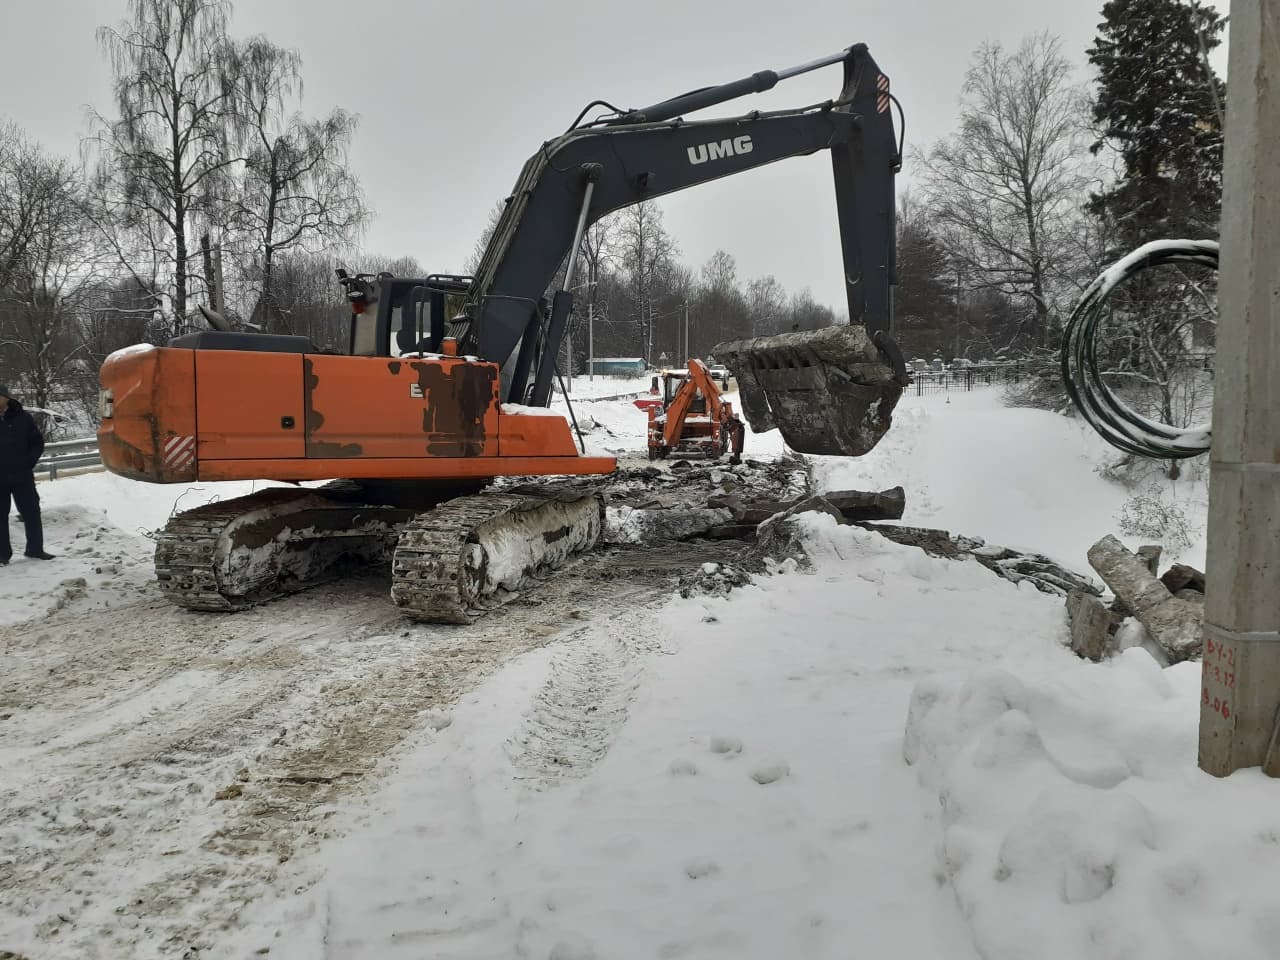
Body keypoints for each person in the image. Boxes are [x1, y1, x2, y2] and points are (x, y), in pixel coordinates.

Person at [0, 385, 54, 563]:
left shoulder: (23, 418)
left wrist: (29, 461)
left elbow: (37, 442)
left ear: (6, 398)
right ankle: (2, 555)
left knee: (31, 512)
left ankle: (35, 549)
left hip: (22, 475)